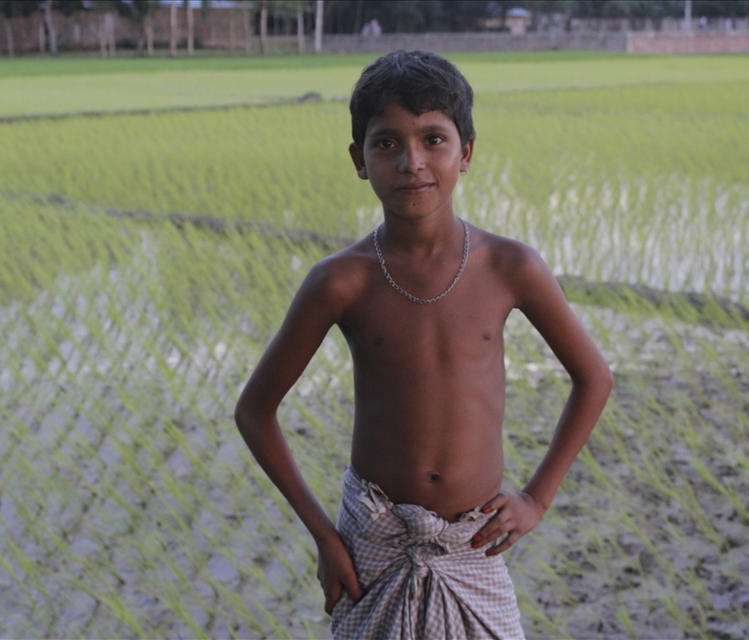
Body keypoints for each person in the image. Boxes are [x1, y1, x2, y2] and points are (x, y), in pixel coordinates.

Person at [234, 50, 613, 639]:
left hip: (473, 542)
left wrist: (537, 499)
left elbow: (594, 377)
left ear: (466, 153)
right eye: (387, 144)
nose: (412, 162)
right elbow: (255, 411)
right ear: (359, 160)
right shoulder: (342, 281)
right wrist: (325, 536)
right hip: (374, 541)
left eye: (433, 139)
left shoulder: (511, 267)